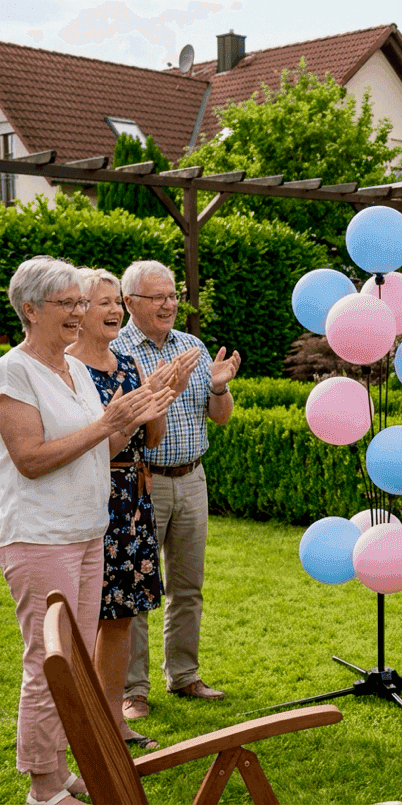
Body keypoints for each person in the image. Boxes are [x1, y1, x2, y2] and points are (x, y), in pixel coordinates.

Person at [1, 256, 170, 805]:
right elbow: (28, 458)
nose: (78, 313)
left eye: (81, 302)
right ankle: (42, 787)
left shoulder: (73, 369)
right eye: (67, 304)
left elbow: (103, 448)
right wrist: (106, 424)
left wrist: (134, 416)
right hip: (39, 534)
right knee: (48, 661)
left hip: (87, 529)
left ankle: (59, 768)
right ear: (31, 309)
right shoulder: (14, 371)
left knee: (74, 662)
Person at [66, 267, 197, 751]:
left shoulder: (128, 366)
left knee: (122, 614)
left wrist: (161, 399)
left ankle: (115, 722)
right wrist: (126, 418)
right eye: (102, 302)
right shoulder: (66, 370)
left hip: (132, 498)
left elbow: (151, 440)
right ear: (77, 310)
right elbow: (87, 446)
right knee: (87, 619)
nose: (112, 311)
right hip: (92, 496)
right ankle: (82, 724)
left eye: (113, 303)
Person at [114, 260, 242, 719]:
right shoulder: (116, 351)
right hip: (142, 481)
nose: (169, 304)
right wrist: (159, 391)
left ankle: (184, 675)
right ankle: (133, 690)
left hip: (193, 478)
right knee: (140, 586)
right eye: (158, 297)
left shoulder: (192, 345)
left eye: (172, 295)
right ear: (131, 303)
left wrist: (219, 388)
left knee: (188, 586)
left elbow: (219, 416)